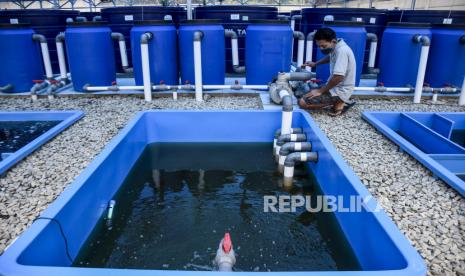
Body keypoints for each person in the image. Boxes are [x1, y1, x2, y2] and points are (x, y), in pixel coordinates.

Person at [298, 27, 356, 116]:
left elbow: (338, 77)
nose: (321, 49)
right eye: (319, 46)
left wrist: (321, 91)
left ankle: (341, 102)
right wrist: (315, 64)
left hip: (340, 90)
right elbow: (330, 57)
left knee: (302, 102)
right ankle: (339, 101)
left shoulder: (342, 51)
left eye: (323, 46)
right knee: (304, 93)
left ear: (333, 41)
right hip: (334, 87)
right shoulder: (336, 47)